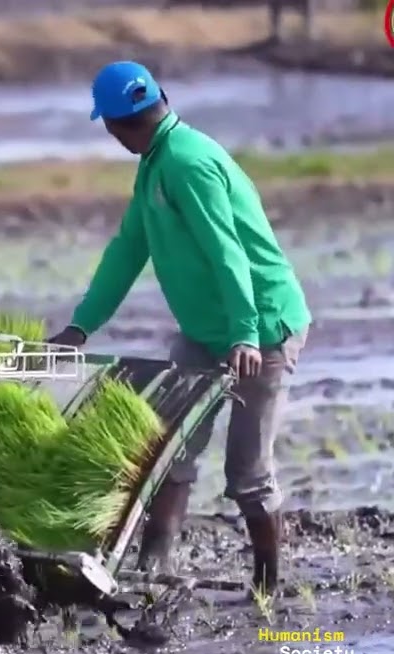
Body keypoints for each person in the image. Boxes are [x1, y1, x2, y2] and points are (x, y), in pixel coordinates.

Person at [46, 61, 312, 597]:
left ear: (115, 126)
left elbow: (226, 250)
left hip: (261, 328)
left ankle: (268, 588)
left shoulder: (187, 162)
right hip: (205, 331)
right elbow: (128, 250)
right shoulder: (156, 163)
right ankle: (152, 573)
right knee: (168, 448)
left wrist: (244, 333)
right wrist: (81, 326)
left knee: (248, 473)